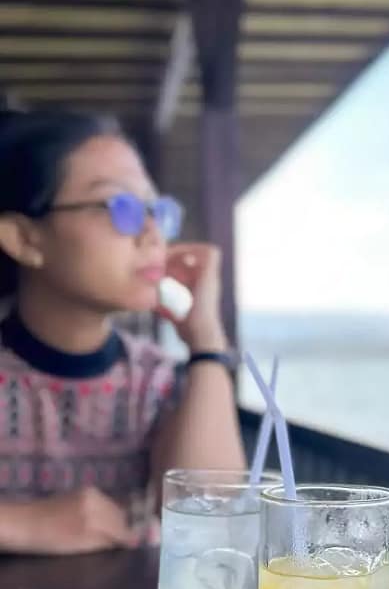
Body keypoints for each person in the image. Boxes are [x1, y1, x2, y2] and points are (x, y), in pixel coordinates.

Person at [0, 109, 245, 554]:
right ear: (25, 239)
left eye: (159, 211)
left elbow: (212, 514)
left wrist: (207, 344)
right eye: (122, 208)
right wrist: (20, 524)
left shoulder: (154, 380)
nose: (154, 234)